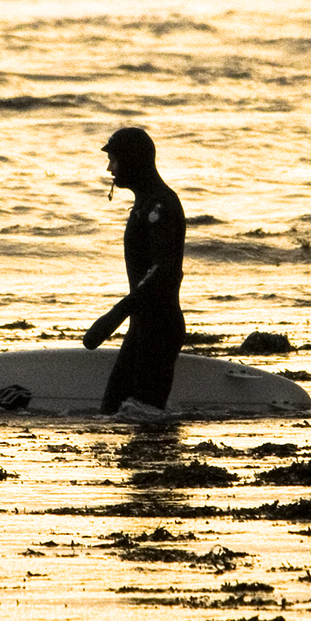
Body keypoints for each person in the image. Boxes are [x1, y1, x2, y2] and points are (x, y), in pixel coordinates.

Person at [82, 126, 186, 416]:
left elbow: (164, 272)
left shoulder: (162, 206)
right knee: (113, 415)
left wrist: (115, 313)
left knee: (147, 424)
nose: (109, 168)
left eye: (114, 160)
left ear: (133, 160)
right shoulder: (146, 205)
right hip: (141, 329)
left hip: (160, 331)